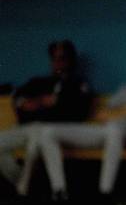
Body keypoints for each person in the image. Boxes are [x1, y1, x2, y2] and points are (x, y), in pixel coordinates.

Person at [38, 47, 126, 199]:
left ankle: (105, 194)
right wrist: (123, 112)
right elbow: (101, 114)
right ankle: (59, 192)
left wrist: (117, 114)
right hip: (106, 132)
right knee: (48, 131)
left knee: (114, 130)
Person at [0, 40, 92, 195]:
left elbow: (77, 112)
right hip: (28, 127)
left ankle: (28, 190)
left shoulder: (77, 85)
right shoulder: (39, 82)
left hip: (52, 131)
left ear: (70, 60)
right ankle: (25, 184)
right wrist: (39, 102)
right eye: (54, 59)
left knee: (36, 143)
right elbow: (19, 98)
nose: (58, 63)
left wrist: (52, 103)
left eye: (62, 58)